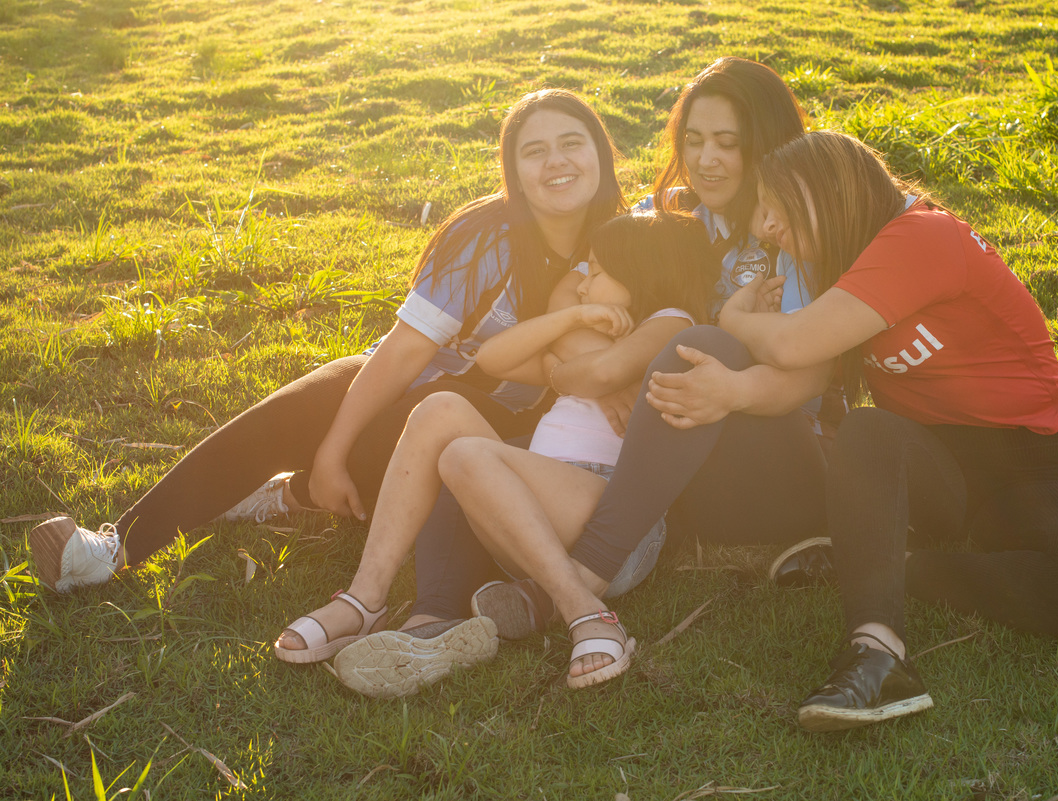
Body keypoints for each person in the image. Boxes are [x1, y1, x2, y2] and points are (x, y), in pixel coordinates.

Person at [29, 89, 627, 605]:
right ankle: (110, 549)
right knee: (312, 405)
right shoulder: (485, 236)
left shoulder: (628, 240)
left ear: (601, 152)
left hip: (508, 424)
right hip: (420, 375)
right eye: (535, 150)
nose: (556, 163)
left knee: (390, 442)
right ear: (513, 169)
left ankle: (287, 494)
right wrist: (334, 450)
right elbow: (402, 354)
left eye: (572, 143)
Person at [718, 130, 1058, 731]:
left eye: (774, 205)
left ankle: (890, 562)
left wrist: (733, 317)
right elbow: (801, 371)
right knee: (868, 431)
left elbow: (791, 343)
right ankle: (876, 652)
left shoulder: (923, 237)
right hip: (938, 468)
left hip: (1034, 455)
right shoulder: (845, 262)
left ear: (823, 194)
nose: (765, 227)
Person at [272, 211, 719, 696]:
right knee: (438, 409)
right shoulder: (587, 324)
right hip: (531, 523)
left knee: (466, 455)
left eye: (595, 271)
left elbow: (606, 374)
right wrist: (569, 320)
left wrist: (561, 366)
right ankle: (365, 600)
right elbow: (494, 358)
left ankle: (587, 615)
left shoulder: (670, 321)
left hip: (614, 523)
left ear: (640, 273)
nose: (582, 286)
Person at [471, 56, 832, 643]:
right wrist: (611, 374)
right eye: (693, 140)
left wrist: (731, 388)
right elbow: (572, 299)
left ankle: (585, 570)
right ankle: (465, 598)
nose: (705, 159)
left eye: (727, 143)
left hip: (761, 451)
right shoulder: (662, 218)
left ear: (767, 144)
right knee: (470, 440)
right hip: (661, 458)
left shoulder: (800, 233)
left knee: (702, 344)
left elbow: (814, 375)